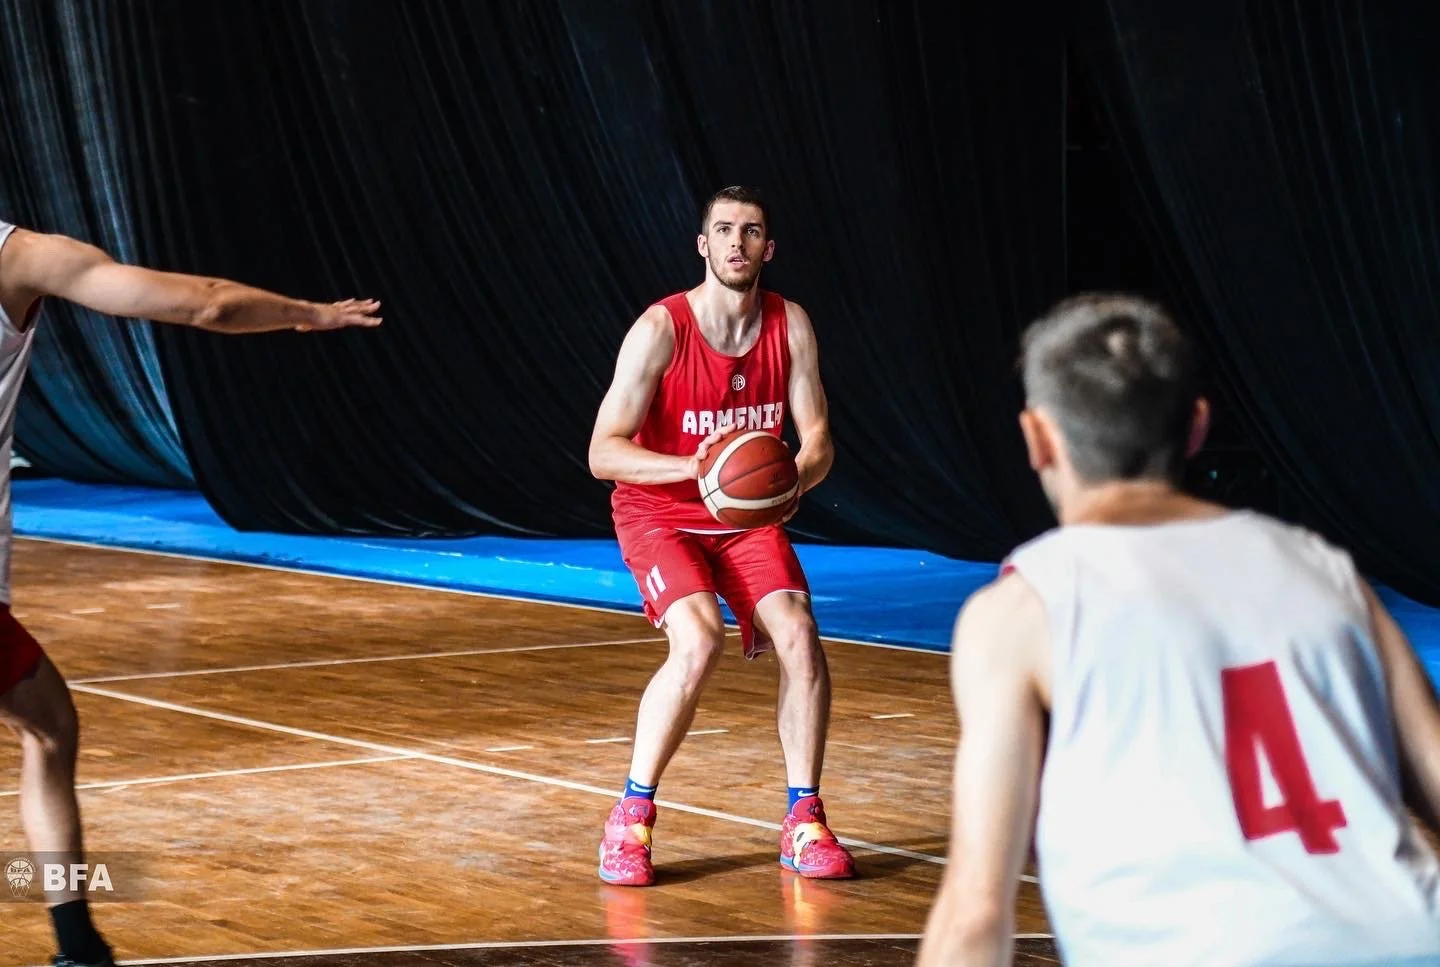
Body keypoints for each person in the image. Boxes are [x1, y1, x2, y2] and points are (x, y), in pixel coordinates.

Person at [916, 293, 1440, 966]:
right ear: (1196, 426)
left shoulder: (1023, 608)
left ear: (1037, 437)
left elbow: (975, 911)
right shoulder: (1328, 572)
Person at [0, 218, 382, 967]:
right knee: (49, 730)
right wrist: (308, 312)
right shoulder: (24, 257)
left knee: (49, 722)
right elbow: (205, 303)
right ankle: (77, 944)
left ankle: (78, 942)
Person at [587, 186, 856, 886]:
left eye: (753, 231)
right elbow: (602, 452)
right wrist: (695, 468)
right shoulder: (660, 329)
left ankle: (805, 819)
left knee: (799, 632)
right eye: (725, 230)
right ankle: (631, 817)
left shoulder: (789, 323)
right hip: (659, 512)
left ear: (770, 247)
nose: (739, 242)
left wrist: (797, 477)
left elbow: (819, 434)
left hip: (743, 519)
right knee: (699, 637)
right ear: (703, 245)